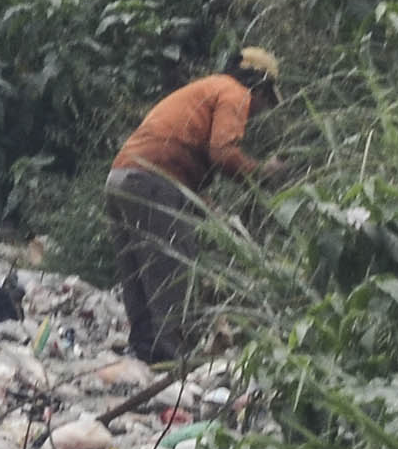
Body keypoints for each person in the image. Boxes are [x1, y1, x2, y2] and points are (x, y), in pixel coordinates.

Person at [105, 48, 277, 366]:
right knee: (172, 272)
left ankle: (146, 355)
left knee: (138, 275)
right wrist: (262, 173)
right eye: (264, 103)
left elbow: (181, 150)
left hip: (121, 177)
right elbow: (223, 153)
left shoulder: (205, 88)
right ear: (260, 87)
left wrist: (206, 206)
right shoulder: (235, 93)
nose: (257, 113)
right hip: (153, 181)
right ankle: (176, 361)